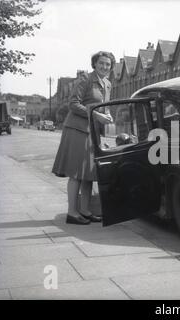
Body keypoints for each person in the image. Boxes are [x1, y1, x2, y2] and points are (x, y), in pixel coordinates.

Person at [52, 51, 115, 225]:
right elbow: (73, 104)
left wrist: (107, 114)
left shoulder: (108, 84)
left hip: (93, 131)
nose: (104, 67)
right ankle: (72, 213)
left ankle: (85, 211)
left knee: (89, 173)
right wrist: (95, 115)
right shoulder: (85, 79)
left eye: (108, 64)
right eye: (101, 63)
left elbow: (103, 106)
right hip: (77, 129)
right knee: (76, 173)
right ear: (94, 64)